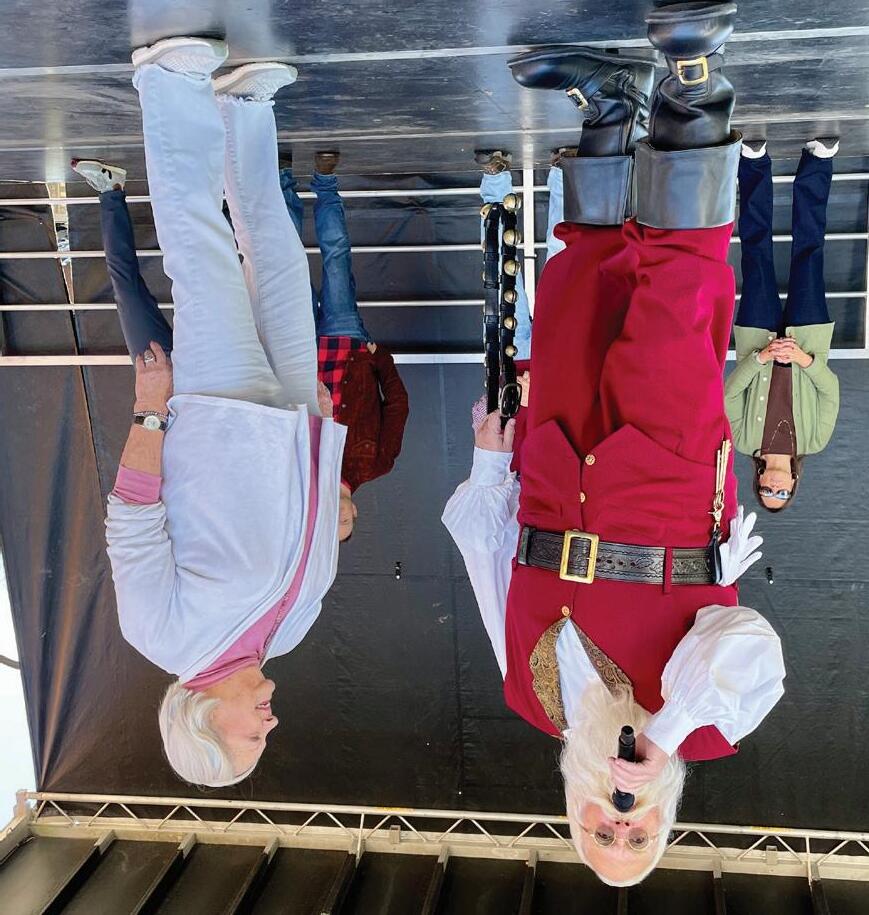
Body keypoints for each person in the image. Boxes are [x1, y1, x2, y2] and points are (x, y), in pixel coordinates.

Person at [444, 2, 785, 887]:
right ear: (662, 817)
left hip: (551, 482)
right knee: (676, 298)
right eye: (637, 837)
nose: (619, 821)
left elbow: (489, 567)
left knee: (576, 291)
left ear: (574, 811)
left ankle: (609, 107)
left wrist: (490, 463)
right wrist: (663, 733)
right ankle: (691, 87)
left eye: (601, 834)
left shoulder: (529, 700)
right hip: (667, 502)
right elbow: (744, 639)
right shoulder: (710, 726)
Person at [104, 36, 348, 788]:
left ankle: (166, 87)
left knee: (200, 250)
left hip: (216, 412)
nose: (268, 727)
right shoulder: (289, 634)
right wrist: (325, 452)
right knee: (278, 259)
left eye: (250, 740)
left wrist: (150, 409)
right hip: (295, 421)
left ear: (203, 718)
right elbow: (316, 525)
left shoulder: (161, 635)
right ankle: (244, 107)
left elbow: (133, 516)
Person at [279, 155, 410, 540]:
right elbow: (397, 405)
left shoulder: (299, 465)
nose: (339, 517)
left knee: (287, 264)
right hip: (348, 346)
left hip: (300, 349)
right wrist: (379, 359)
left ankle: (283, 179)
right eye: (346, 522)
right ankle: (325, 182)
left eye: (330, 523)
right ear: (355, 513)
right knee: (336, 260)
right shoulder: (377, 464)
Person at [725, 137, 840, 511]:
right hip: (808, 339)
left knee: (756, 255)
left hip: (757, 338)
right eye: (782, 494)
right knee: (810, 253)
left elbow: (728, 396)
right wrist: (803, 359)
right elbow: (830, 391)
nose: (774, 488)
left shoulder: (743, 440)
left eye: (766, 493)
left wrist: (762, 357)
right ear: (794, 483)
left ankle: (754, 164)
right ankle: (818, 162)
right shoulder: (815, 441)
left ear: (758, 482)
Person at [471, 148, 567, 431]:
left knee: (499, 260)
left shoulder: (498, 463)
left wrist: (506, 400)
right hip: (558, 361)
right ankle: (563, 175)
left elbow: (480, 416)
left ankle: (495, 179)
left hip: (510, 362)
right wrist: (545, 397)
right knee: (564, 258)